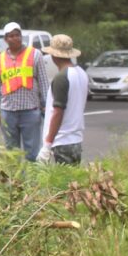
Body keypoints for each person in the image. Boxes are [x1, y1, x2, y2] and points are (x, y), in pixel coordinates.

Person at [0, 21, 48, 161]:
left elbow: (44, 82)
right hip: (8, 112)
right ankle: (16, 182)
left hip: (30, 111)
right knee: (12, 154)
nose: (15, 38)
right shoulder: (0, 58)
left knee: (32, 154)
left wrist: (47, 105)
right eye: (11, 36)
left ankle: (33, 182)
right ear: (5, 39)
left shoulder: (35, 55)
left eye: (17, 35)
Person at [38, 34, 87, 165]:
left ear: (53, 55)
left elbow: (58, 111)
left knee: (63, 184)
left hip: (62, 141)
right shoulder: (81, 73)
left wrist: (47, 145)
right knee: (74, 183)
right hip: (76, 139)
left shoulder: (61, 77)